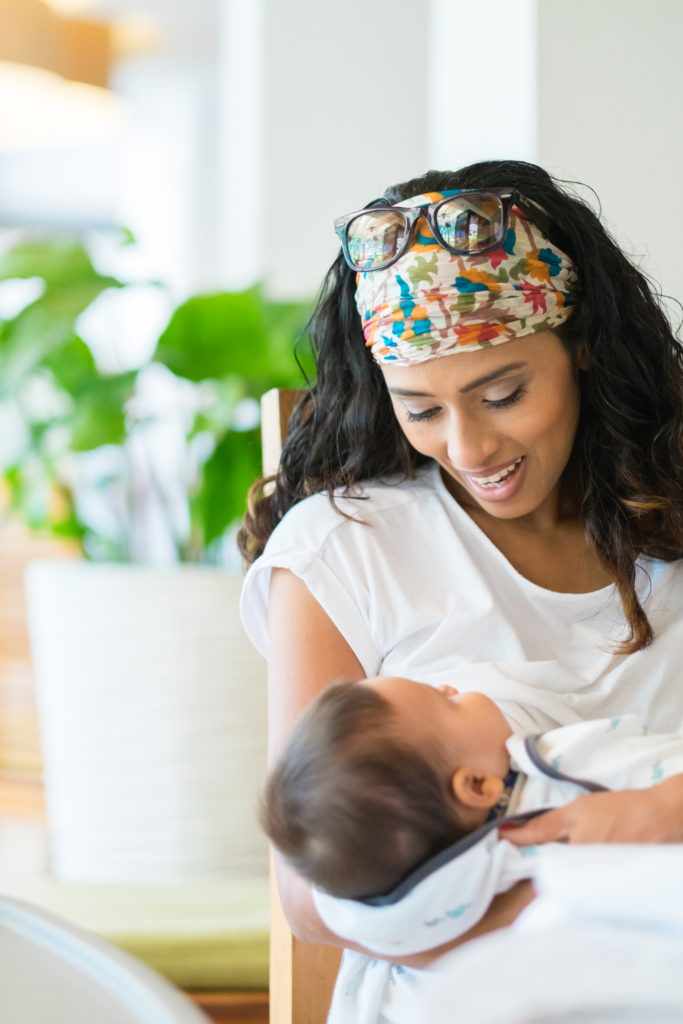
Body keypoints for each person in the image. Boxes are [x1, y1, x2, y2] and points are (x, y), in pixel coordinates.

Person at [238, 160, 683, 1022]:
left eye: (503, 394)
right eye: (420, 407)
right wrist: (578, 912)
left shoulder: (666, 529)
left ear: (581, 347)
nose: (470, 447)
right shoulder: (345, 549)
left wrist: (659, 817)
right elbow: (309, 892)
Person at [262, 675, 683, 959]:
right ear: (478, 786)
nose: (450, 686)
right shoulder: (567, 774)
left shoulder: (405, 921)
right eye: (446, 702)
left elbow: (333, 906)